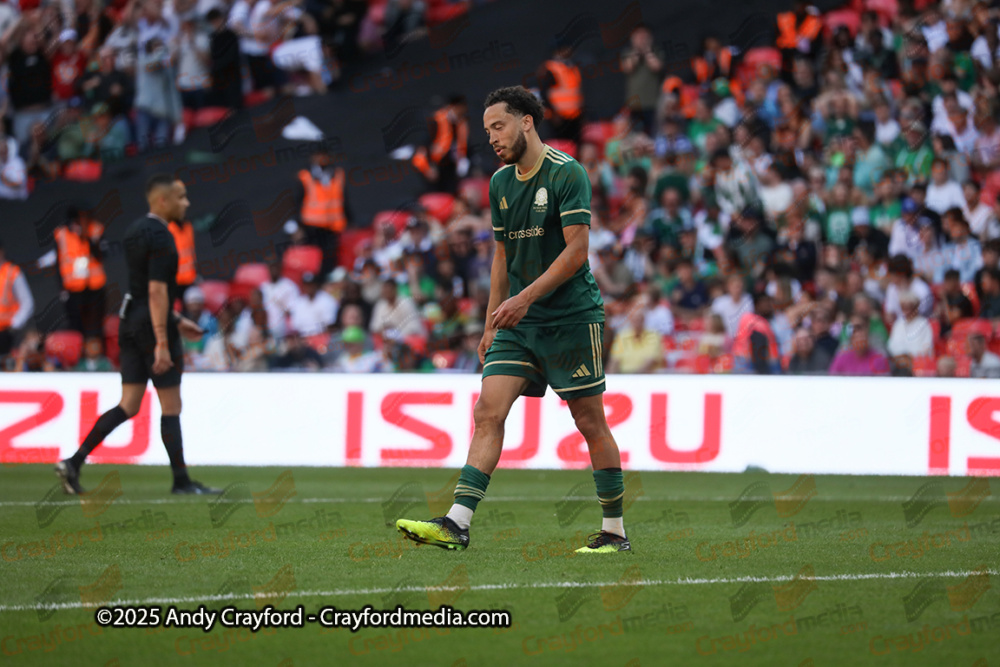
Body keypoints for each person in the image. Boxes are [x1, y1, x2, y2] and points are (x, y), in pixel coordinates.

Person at [396, 86, 630, 554]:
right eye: (487, 131)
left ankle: (614, 531)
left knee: (589, 422)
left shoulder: (567, 172)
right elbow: (501, 258)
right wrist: (490, 323)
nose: (491, 138)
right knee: (488, 411)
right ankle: (457, 523)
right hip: (518, 323)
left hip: (569, 317)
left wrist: (524, 299)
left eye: (498, 126)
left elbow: (577, 251)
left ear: (527, 121)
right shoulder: (500, 183)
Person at [55, 174, 218, 496]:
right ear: (163, 201)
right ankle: (181, 482)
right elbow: (156, 291)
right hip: (152, 327)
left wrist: (177, 319)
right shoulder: (163, 236)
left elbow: (142, 290)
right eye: (181, 197)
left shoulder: (133, 230)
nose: (186, 203)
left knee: (128, 404)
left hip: (129, 320)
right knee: (171, 405)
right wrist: (162, 341)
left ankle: (73, 462)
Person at [297, 150, 349, 277]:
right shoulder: (305, 175)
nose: (321, 158)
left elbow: (344, 200)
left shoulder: (337, 173)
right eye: (318, 155)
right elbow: (297, 201)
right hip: (312, 226)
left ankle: (328, 277)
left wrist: (350, 220)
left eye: (324, 155)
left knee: (331, 256)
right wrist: (297, 225)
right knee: (313, 257)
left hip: (333, 225)